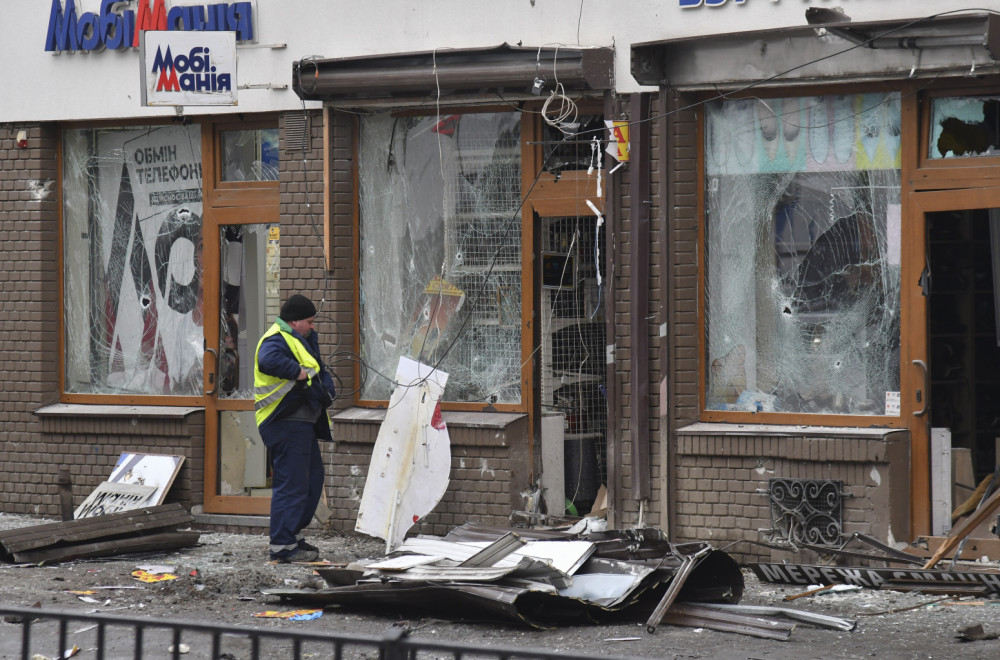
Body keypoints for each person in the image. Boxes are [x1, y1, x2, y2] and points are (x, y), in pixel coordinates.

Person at [254, 294, 336, 562]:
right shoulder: (276, 338)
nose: (313, 327)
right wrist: (298, 373)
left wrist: (325, 390)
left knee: (311, 481)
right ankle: (282, 545)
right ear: (295, 321)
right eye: (309, 322)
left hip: (301, 424)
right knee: (292, 484)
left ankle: (293, 535)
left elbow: (317, 372)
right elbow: (268, 361)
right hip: (283, 422)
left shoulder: (301, 339)